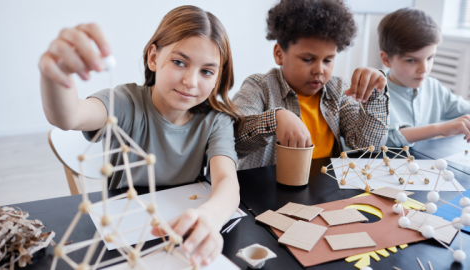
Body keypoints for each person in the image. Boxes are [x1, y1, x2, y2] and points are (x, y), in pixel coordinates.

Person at [39, 5, 241, 266]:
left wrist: (211, 217)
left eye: (206, 71)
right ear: (153, 58)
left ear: (218, 76)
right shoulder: (126, 103)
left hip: (180, 234)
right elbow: (70, 116)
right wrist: (56, 74)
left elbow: (227, 181)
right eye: (179, 62)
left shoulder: (216, 120)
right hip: (124, 235)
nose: (191, 81)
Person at [233, 0, 389, 170]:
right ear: (279, 54)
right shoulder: (259, 87)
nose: (319, 70)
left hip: (324, 189)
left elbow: (366, 146)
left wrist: (375, 93)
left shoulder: (337, 89)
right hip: (266, 191)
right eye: (308, 59)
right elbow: (234, 140)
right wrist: (275, 119)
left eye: (328, 60)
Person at [380, 8, 470, 147]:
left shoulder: (434, 87)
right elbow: (379, 140)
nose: (424, 69)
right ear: (386, 59)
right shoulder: (374, 94)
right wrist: (439, 129)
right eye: (411, 60)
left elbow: (465, 109)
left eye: (430, 58)